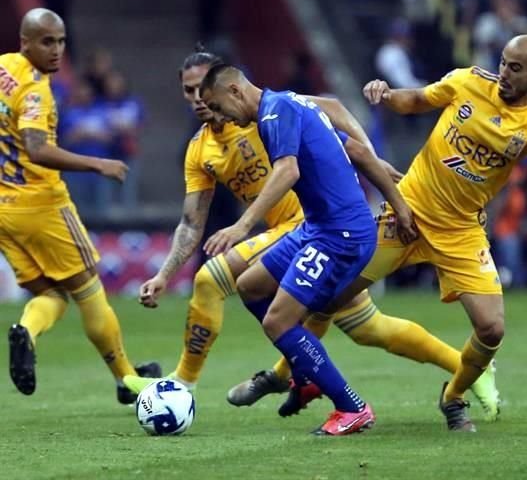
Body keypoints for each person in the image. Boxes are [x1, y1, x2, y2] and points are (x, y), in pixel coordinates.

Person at [124, 48, 500, 422]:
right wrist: (165, 274)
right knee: (366, 327)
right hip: (304, 230)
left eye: (202, 91)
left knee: (213, 279)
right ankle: (456, 367)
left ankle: (186, 383)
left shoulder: (272, 108)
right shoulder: (200, 150)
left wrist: (370, 160)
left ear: (230, 86)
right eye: (188, 93)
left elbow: (331, 114)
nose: (197, 102)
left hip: (316, 225)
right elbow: (191, 222)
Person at [288, 35, 527, 432]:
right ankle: (299, 380)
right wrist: (387, 96)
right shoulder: (469, 81)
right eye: (504, 63)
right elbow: (418, 100)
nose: (505, 73)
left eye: (517, 68)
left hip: (460, 231)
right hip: (407, 211)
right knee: (325, 298)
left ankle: (452, 397)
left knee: (492, 329)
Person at [195, 63, 417, 435]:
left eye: (218, 107)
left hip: (339, 236)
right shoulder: (290, 104)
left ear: (234, 91)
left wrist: (241, 226)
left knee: (278, 321)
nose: (222, 118)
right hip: (317, 228)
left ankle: (352, 408)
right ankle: (307, 374)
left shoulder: (274, 113)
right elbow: (359, 152)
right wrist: (400, 206)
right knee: (250, 285)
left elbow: (288, 172)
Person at [0, 8, 159, 402]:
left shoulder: (3, 68)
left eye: (61, 41)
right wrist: (97, 162)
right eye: (46, 42)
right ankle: (127, 378)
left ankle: (26, 330)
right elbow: (37, 149)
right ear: (26, 42)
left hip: (4, 209)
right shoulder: (35, 89)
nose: (56, 50)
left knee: (51, 294)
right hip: (42, 204)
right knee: (90, 291)